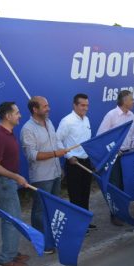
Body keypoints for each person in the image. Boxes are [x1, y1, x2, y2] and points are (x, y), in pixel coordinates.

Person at [0, 101, 30, 266]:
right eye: (17, 112)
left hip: (8, 182)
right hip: (2, 183)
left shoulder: (8, 133)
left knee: (14, 219)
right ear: (8, 116)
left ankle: (12, 251)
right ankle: (6, 259)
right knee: (11, 221)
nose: (20, 115)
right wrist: (16, 176)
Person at [20, 96, 67, 254]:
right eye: (45, 106)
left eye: (48, 105)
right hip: (41, 177)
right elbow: (32, 155)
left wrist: (60, 165)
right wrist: (55, 154)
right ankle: (42, 242)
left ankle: (53, 238)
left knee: (54, 209)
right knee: (40, 210)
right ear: (35, 109)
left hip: (54, 173)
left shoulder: (49, 122)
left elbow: (55, 143)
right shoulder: (27, 129)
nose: (49, 108)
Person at [97, 90, 134, 226]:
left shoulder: (131, 115)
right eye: (131, 99)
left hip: (128, 155)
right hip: (114, 157)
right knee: (115, 186)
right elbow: (101, 136)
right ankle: (115, 214)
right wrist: (114, 150)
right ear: (124, 101)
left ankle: (123, 212)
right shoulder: (111, 115)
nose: (133, 102)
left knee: (125, 185)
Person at [56, 94, 95, 229]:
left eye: (87, 105)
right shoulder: (67, 121)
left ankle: (85, 222)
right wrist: (68, 156)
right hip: (74, 163)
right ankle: (77, 226)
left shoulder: (87, 120)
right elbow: (57, 140)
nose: (85, 108)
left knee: (85, 193)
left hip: (86, 161)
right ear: (75, 105)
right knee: (75, 195)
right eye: (82, 105)